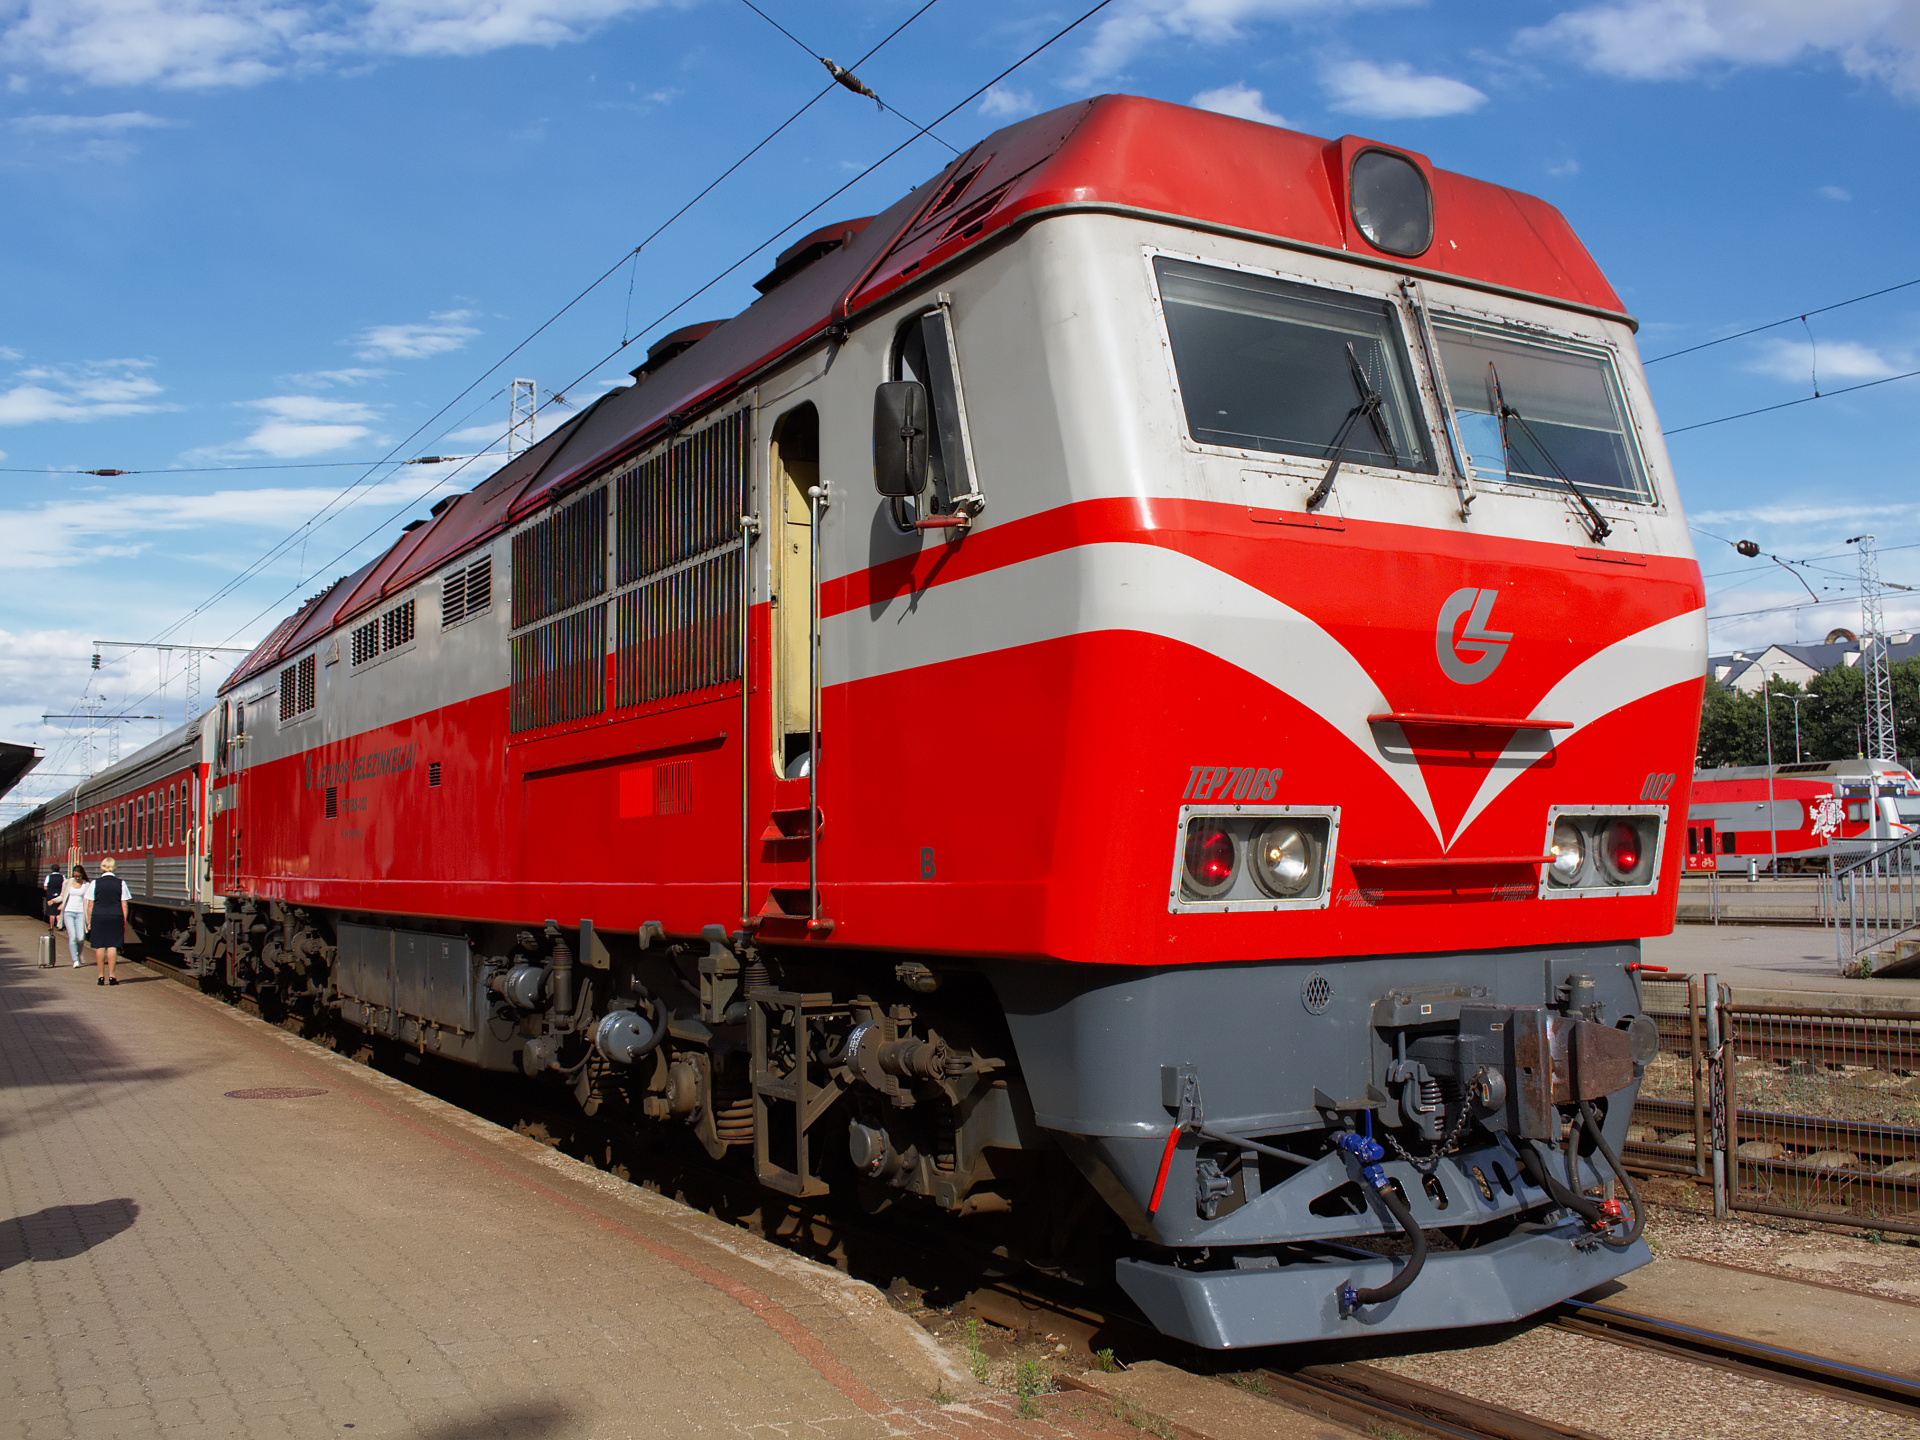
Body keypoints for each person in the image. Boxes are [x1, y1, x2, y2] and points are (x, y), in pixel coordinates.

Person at [85, 857, 129, 987]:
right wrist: (123, 922)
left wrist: (89, 921)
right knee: (112, 946)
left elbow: (90, 904)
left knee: (100, 946)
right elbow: (124, 905)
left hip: (98, 916)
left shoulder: (95, 883)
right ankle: (112, 976)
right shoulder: (121, 883)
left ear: (102, 867)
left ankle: (100, 976)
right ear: (114, 867)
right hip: (115, 916)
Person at [59, 865, 88, 968]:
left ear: (82, 875)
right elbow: (63, 896)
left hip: (80, 913)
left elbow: (88, 900)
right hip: (68, 912)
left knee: (80, 938)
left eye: (79, 876)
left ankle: (79, 953)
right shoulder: (67, 883)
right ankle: (75, 960)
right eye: (75, 876)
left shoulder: (86, 885)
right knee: (73, 937)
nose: (77, 878)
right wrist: (54, 901)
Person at [43, 864, 64, 933]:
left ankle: (51, 927)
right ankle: (59, 926)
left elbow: (45, 887)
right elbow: (64, 886)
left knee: (51, 913)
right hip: (59, 896)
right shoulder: (62, 877)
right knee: (58, 912)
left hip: (50, 896)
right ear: (59, 869)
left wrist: (50, 890)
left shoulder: (48, 877)